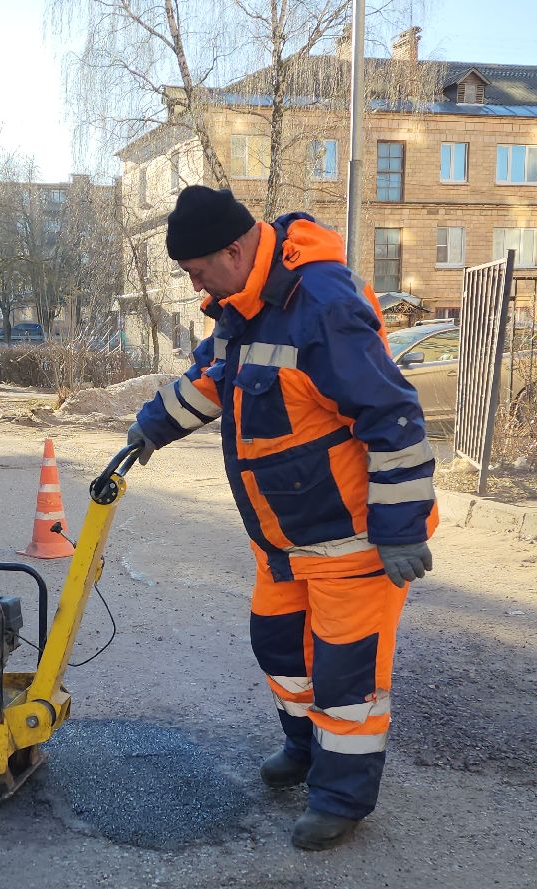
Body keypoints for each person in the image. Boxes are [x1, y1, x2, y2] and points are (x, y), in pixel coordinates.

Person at [126, 186, 436, 851]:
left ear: (235, 250)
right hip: (284, 540)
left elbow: (393, 415)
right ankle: (305, 748)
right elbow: (216, 375)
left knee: (346, 677)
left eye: (198, 270)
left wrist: (402, 528)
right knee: (277, 645)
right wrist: (151, 426)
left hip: (351, 537)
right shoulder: (242, 305)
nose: (195, 283)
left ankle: (341, 798)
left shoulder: (321, 306)